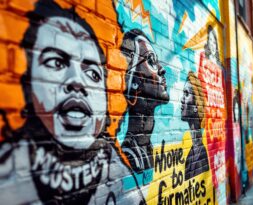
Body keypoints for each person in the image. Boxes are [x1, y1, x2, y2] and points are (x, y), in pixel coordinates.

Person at [0, 1, 145, 204]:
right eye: (56, 63)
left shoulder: (117, 169)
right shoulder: (9, 174)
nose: (77, 82)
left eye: (93, 74)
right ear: (28, 83)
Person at [120, 29, 169, 173]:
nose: (162, 69)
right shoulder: (126, 158)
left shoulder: (147, 150)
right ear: (134, 82)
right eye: (151, 61)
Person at [181, 71, 209, 180]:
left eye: (186, 94)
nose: (182, 99)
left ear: (196, 106)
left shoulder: (200, 156)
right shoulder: (192, 153)